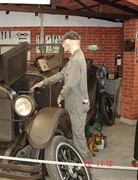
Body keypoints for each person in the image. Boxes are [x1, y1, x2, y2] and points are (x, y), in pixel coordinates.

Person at [31, 31, 91, 160]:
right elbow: (62, 74)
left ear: (71, 42)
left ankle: (85, 164)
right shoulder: (74, 58)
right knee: (76, 134)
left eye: (64, 43)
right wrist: (43, 82)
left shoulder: (76, 59)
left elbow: (70, 84)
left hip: (77, 103)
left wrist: (60, 96)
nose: (63, 46)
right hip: (75, 102)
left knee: (78, 135)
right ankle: (78, 159)